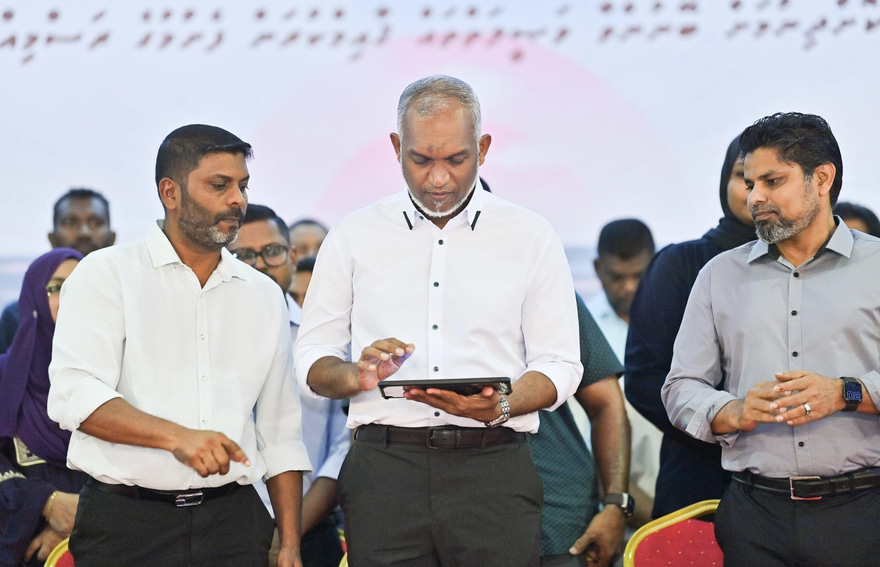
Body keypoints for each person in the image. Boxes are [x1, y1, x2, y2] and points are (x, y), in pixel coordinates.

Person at [294, 75, 582, 566]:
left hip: (493, 468)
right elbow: (312, 357)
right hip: (384, 472)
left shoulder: (531, 236)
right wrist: (354, 375)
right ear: (396, 147)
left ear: (483, 149)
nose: (438, 179)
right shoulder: (352, 236)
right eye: (421, 160)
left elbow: (560, 364)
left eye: (456, 159)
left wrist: (502, 405)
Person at [47, 125, 311, 567]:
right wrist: (178, 437)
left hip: (234, 523)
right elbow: (75, 395)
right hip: (126, 522)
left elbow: (281, 431)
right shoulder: (106, 274)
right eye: (219, 185)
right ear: (170, 192)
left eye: (243, 186)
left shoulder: (263, 294)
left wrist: (289, 544)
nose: (238, 200)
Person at [662, 112, 880, 565]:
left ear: (822, 179)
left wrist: (845, 393)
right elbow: (680, 387)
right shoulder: (719, 276)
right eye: (749, 183)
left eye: (772, 181)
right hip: (754, 513)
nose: (754, 197)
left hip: (864, 509)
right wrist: (731, 410)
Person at [624, 134, 755, 518]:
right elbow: (645, 377)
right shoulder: (680, 264)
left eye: (772, 179)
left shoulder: (809, 270)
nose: (756, 190)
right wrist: (724, 425)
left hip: (797, 488)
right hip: (699, 476)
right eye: (743, 177)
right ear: (724, 180)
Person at [229, 204, 350, 567]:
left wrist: (288, 535)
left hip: (311, 527)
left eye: (272, 251)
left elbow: (343, 449)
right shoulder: (202, 336)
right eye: (243, 255)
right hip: (221, 530)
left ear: (293, 257)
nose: (260, 265)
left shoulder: (326, 338)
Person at [532, 294, 630, 567]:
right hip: (450, 507)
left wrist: (615, 504)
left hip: (557, 506)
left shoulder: (547, 286)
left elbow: (606, 404)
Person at [0, 248, 83, 567]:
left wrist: (83, 517)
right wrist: (47, 504)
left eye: (81, 286)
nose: (71, 296)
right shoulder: (4, 377)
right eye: (56, 287)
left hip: (102, 544)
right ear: (32, 296)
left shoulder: (118, 381)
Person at [585, 218, 659, 524]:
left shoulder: (683, 319)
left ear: (656, 263)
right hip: (608, 503)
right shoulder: (581, 329)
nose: (628, 287)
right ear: (597, 268)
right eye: (617, 277)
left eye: (638, 275)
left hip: (682, 497)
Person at [0, 188, 116, 354]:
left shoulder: (130, 307)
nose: (84, 232)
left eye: (95, 223)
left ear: (112, 238)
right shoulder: (16, 317)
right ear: (52, 238)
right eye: (70, 222)